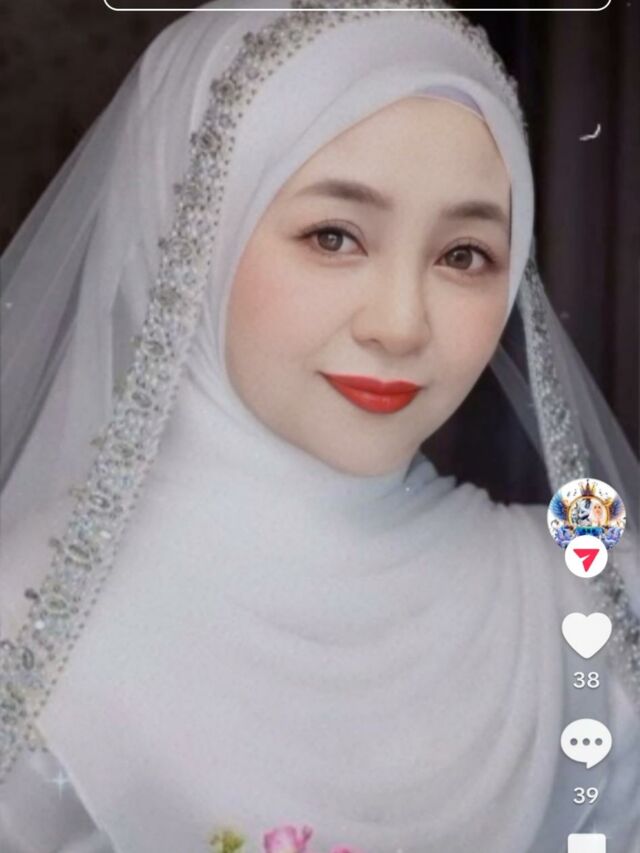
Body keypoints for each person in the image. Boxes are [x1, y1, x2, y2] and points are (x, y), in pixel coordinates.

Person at [0, 1, 638, 851]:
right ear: (183, 236)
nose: (400, 324)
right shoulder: (29, 630)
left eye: (464, 255)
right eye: (333, 236)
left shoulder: (592, 615)